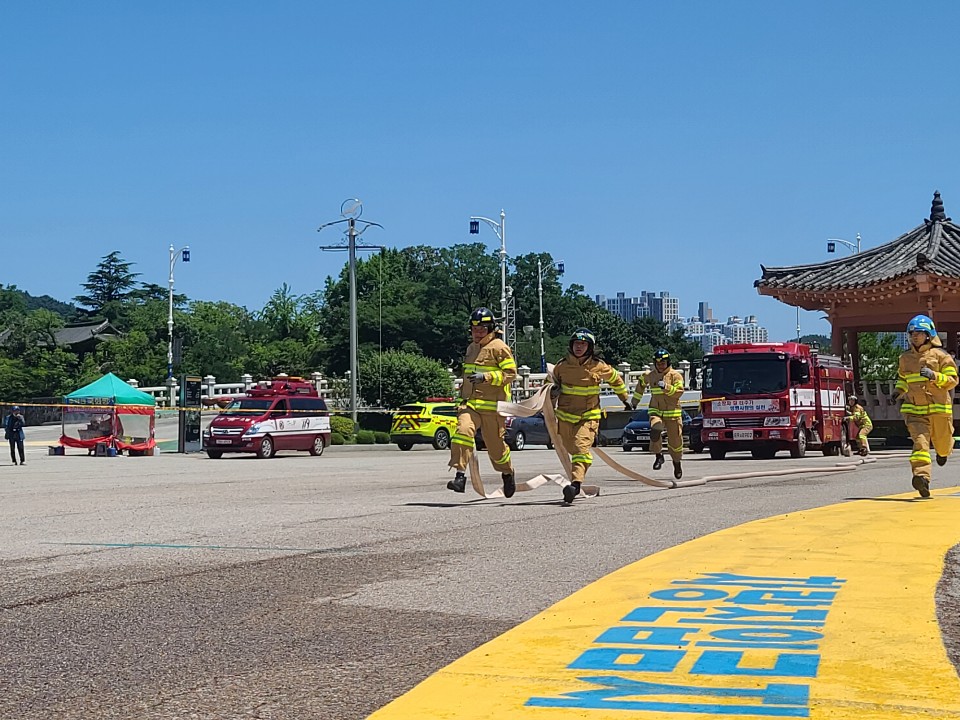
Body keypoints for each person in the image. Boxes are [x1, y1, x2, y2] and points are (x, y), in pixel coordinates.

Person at [552, 329, 631, 504]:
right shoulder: (561, 366)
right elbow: (549, 386)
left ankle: (575, 485)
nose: (579, 347)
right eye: (576, 343)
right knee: (571, 448)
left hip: (588, 417)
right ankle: (577, 478)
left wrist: (625, 398)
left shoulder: (599, 366)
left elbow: (615, 379)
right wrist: (551, 395)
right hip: (565, 417)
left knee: (581, 449)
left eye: (583, 344)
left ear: (590, 347)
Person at [447, 307, 518, 496]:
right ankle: (460, 476)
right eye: (474, 329)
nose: (477, 333)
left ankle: (507, 473)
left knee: (496, 449)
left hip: (492, 408)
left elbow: (511, 374)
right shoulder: (471, 348)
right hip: (470, 404)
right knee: (462, 432)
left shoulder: (499, 347)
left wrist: (486, 377)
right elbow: (468, 375)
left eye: (481, 329)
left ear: (491, 329)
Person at [895, 314, 958, 498]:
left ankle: (943, 452)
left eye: (919, 333)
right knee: (920, 444)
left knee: (943, 444)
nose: (915, 337)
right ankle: (921, 477)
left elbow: (952, 380)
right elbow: (903, 379)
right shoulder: (905, 358)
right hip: (915, 411)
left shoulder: (941, 356)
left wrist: (934, 376)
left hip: (939, 409)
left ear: (929, 335)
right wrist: (898, 392)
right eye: (912, 333)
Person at [630, 348, 685, 479]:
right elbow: (641, 385)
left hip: (672, 413)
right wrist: (634, 402)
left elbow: (679, 392)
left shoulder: (675, 375)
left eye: (663, 363)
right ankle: (658, 456)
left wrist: (666, 387)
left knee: (675, 442)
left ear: (668, 362)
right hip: (656, 411)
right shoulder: (650, 375)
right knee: (655, 430)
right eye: (658, 363)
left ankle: (677, 463)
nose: (660, 366)